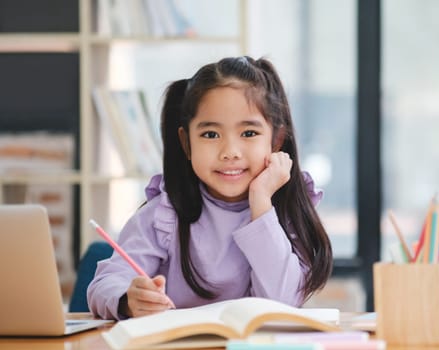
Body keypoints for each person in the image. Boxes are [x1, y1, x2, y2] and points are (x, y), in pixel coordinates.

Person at [87, 56, 333, 320]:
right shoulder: (164, 215)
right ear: (186, 143)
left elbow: (281, 304)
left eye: (249, 133)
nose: (230, 152)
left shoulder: (288, 214)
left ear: (276, 141)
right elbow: (104, 285)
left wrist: (261, 201)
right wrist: (128, 300)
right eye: (211, 134)